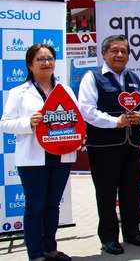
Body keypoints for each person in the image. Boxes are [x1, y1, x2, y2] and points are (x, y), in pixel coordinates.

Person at [0, 44, 75, 261]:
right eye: (40, 59)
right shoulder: (19, 92)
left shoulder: (65, 89)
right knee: (35, 207)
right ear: (30, 65)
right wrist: (28, 122)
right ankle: (35, 253)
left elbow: (76, 120)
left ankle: (50, 248)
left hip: (61, 155)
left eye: (50, 58)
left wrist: (78, 138)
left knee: (53, 205)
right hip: (33, 159)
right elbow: (5, 123)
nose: (46, 63)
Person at [78, 35, 140, 255]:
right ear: (103, 53)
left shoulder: (133, 77)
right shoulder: (92, 77)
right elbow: (87, 111)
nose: (120, 55)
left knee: (130, 189)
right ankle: (109, 238)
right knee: (106, 193)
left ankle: (132, 231)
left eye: (124, 51)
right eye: (114, 50)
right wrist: (114, 122)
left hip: (130, 143)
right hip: (104, 146)